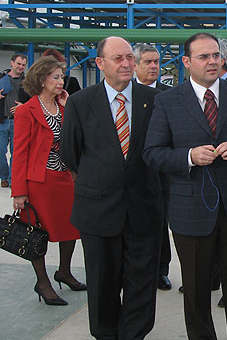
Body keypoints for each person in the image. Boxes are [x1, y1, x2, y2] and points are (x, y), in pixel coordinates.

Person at [144, 32, 227, 340]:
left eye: (216, 55)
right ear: (187, 62)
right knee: (197, 289)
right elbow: (152, 152)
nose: (213, 61)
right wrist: (188, 156)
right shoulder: (167, 101)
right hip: (190, 209)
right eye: (204, 56)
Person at [60, 36, 163, 340]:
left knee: (141, 282)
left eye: (130, 57)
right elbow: (70, 153)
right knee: (102, 281)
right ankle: (106, 334)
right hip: (97, 208)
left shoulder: (155, 100)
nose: (127, 63)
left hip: (144, 206)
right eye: (118, 58)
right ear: (100, 63)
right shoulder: (81, 102)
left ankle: (133, 334)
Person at [11, 56, 86, 307]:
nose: (61, 81)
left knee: (70, 229)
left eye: (61, 77)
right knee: (37, 233)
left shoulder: (65, 106)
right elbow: (19, 153)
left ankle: (64, 272)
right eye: (56, 77)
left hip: (65, 178)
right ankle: (42, 282)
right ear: (42, 80)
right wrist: (19, 191)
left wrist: (69, 106)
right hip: (39, 182)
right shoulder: (26, 111)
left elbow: (78, 138)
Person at [133, 43, 173, 292]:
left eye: (156, 61)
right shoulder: (127, 94)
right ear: (135, 65)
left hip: (161, 172)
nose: (153, 66)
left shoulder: (169, 95)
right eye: (147, 62)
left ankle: (161, 270)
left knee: (160, 222)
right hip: (133, 171)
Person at [0, 53, 28, 188]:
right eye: (18, 64)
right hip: (3, 120)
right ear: (11, 63)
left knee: (16, 153)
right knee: (0, 151)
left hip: (18, 121)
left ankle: (12, 180)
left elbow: (34, 100)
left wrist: (24, 106)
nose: (21, 67)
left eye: (23, 65)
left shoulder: (27, 82)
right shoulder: (1, 78)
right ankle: (4, 177)